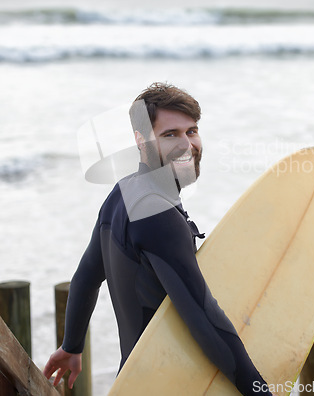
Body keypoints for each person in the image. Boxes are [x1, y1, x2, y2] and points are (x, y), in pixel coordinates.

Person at [43, 82, 272, 395]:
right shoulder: (158, 214)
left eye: (191, 131)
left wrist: (71, 346)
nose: (187, 144)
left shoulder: (123, 192)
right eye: (170, 135)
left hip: (132, 383)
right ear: (141, 141)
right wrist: (260, 391)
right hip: (169, 385)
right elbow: (205, 320)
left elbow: (85, 278)